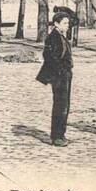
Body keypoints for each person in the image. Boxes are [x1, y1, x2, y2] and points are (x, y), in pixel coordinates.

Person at [36, 12, 74, 147]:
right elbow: (49, 57)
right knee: (60, 106)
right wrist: (60, 71)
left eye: (68, 23)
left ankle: (60, 134)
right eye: (65, 23)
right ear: (56, 24)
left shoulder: (61, 36)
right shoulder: (53, 37)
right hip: (59, 76)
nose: (67, 26)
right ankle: (57, 136)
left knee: (64, 105)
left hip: (65, 75)